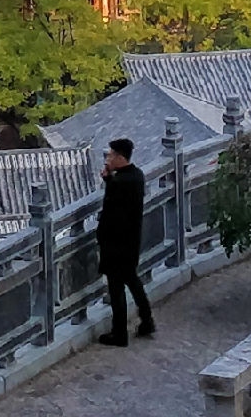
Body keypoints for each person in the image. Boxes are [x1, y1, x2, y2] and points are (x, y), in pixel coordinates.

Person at [95, 137, 154, 346]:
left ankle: (119, 333)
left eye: (111, 155)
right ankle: (147, 320)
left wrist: (109, 182)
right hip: (131, 240)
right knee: (133, 281)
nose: (107, 159)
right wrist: (109, 180)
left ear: (120, 157)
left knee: (116, 288)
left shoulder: (119, 182)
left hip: (115, 242)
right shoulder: (136, 176)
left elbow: (112, 210)